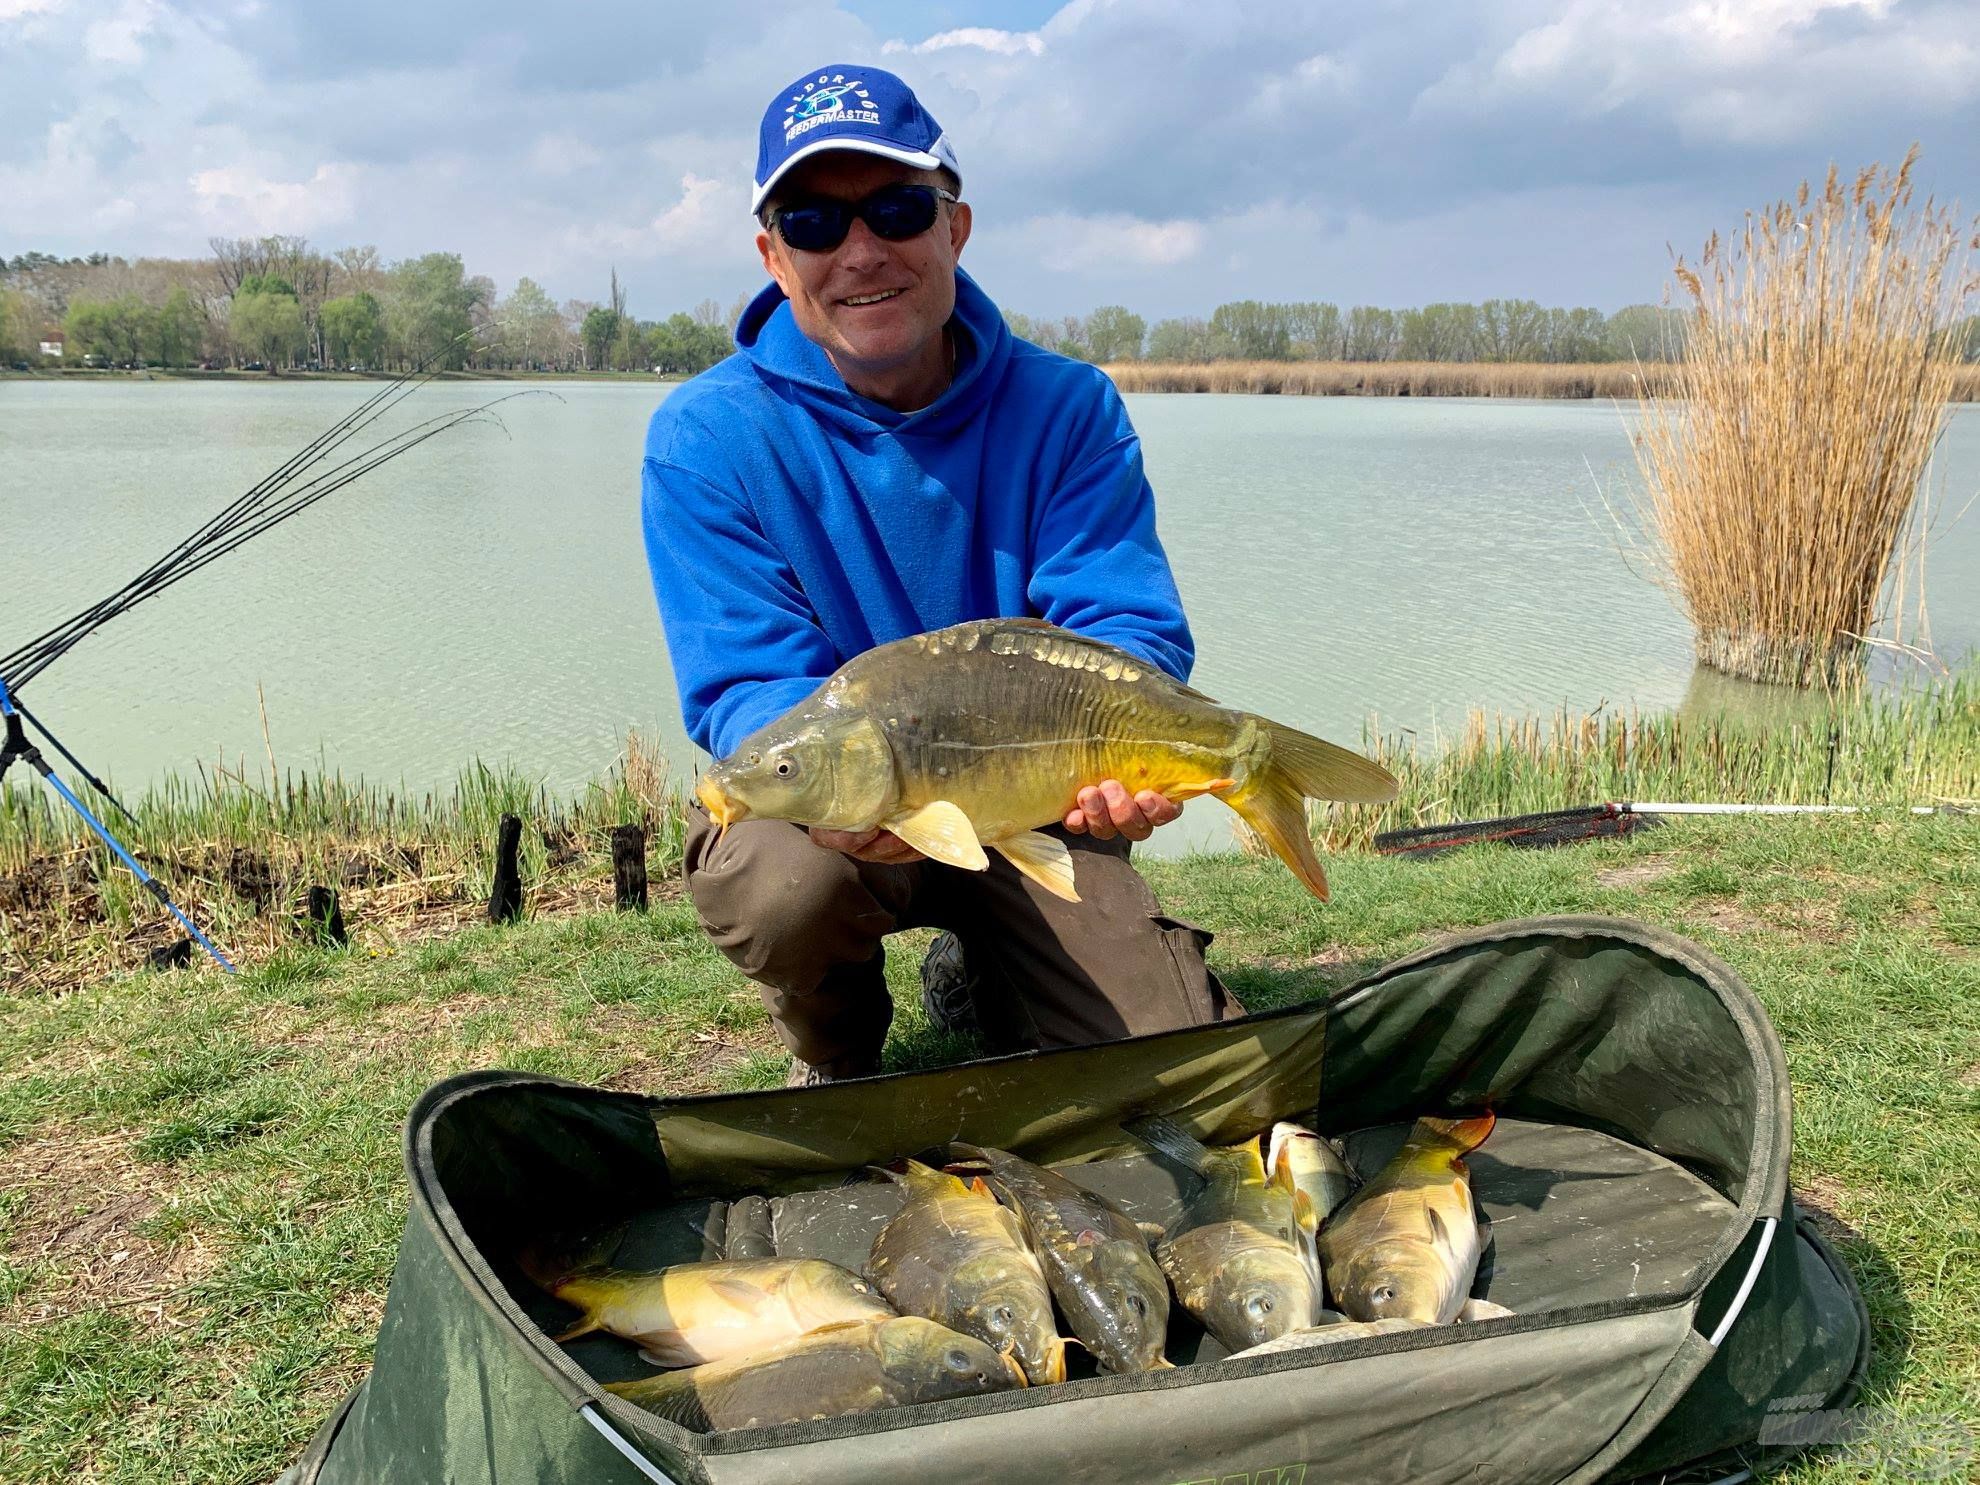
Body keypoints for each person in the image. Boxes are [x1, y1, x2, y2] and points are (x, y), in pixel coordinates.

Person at [641, 63, 1242, 1084]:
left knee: (1173, 1067)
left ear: (954, 228)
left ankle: (997, 972)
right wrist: (862, 791)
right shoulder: (705, 436)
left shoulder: (1069, 407)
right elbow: (744, 685)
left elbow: (1125, 622)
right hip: (843, 800)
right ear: (773, 257)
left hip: (1039, 799)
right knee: (776, 878)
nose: (862, 251)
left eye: (896, 209)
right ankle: (834, 1046)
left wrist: (1126, 754)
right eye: (815, 224)